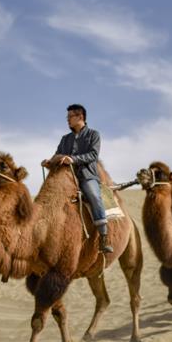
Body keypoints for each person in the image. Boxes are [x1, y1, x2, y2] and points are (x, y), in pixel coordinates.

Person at [42, 104, 113, 253]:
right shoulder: (65, 139)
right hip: (66, 177)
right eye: (67, 117)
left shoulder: (94, 135)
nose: (67, 120)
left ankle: (103, 236)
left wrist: (73, 159)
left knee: (94, 195)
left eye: (70, 117)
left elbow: (93, 155)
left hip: (87, 176)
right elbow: (57, 155)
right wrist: (49, 162)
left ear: (80, 117)